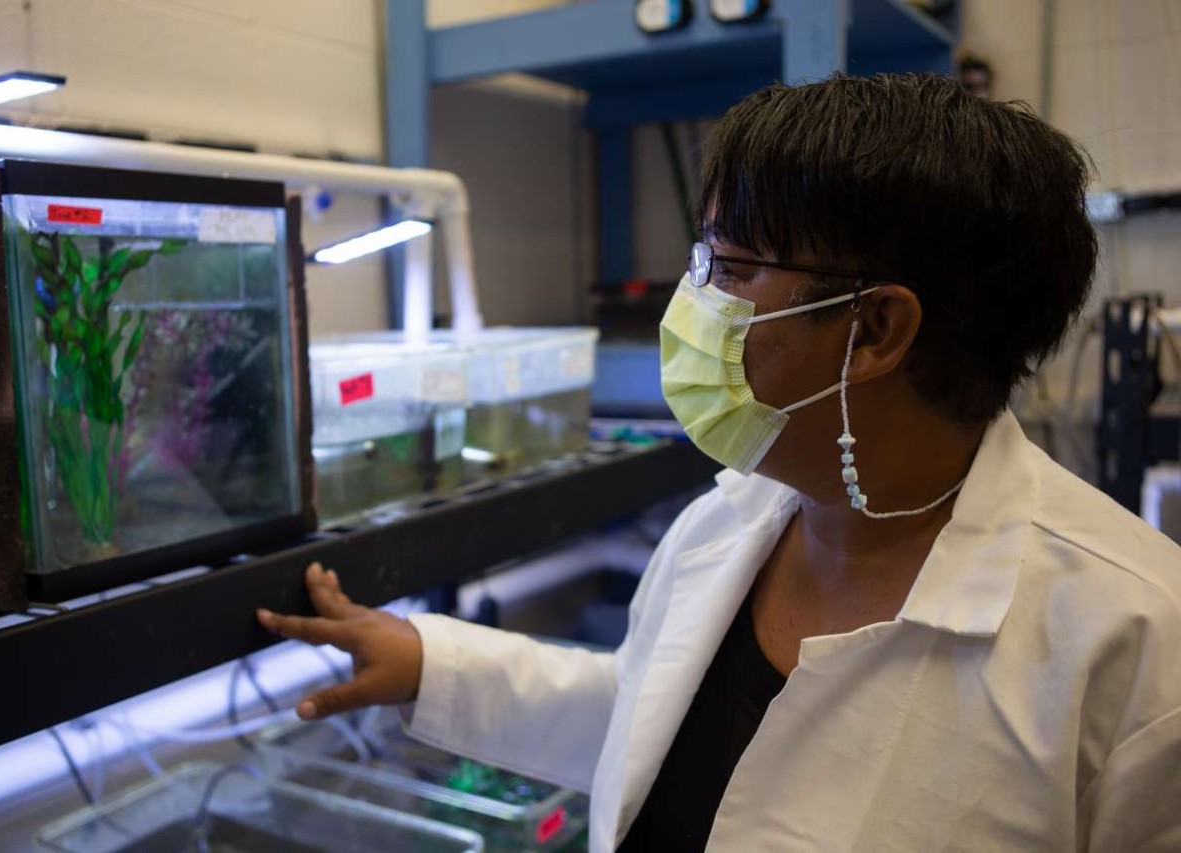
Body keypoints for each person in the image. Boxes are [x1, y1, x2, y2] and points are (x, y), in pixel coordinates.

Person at [257, 74, 1181, 852]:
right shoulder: (740, 514)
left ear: (876, 329)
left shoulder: (1135, 643)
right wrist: (430, 661)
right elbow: (647, 714)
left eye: (729, 268)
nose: (690, 301)